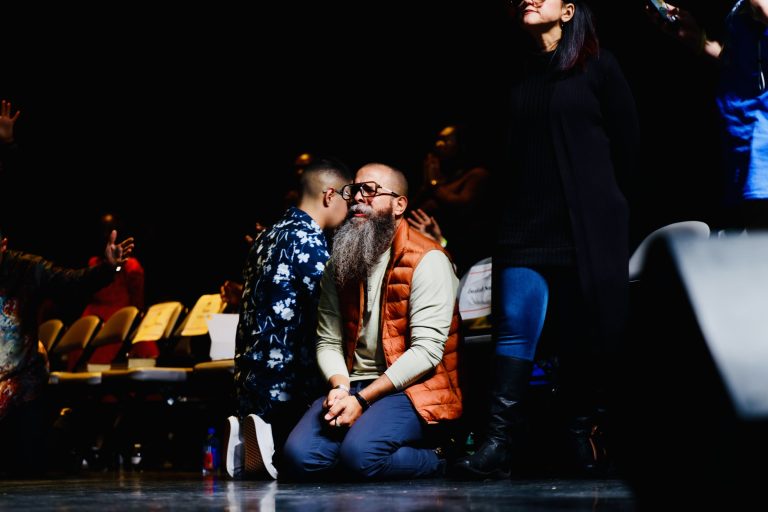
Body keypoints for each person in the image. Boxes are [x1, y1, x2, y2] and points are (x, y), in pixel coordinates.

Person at [452, 0, 639, 479]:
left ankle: (576, 436)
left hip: (585, 227)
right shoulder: (513, 72)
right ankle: (498, 443)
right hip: (523, 225)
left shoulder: (599, 66)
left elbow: (628, 145)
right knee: (515, 325)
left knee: (583, 334)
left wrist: (604, 208)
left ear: (569, 11)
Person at [281, 163, 462, 481]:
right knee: (299, 458)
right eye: (353, 190)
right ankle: (357, 455)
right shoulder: (341, 263)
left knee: (361, 457)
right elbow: (328, 340)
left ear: (399, 205)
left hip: (412, 387)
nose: (356, 199)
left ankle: (442, 455)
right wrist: (341, 388)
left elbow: (427, 352)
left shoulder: (428, 259)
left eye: (370, 191)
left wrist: (362, 401)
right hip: (354, 385)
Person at [224, 158, 351, 480]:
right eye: (347, 197)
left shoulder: (267, 236)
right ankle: (271, 446)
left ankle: (245, 437)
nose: (350, 208)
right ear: (330, 195)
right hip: (287, 382)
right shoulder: (308, 241)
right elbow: (328, 310)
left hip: (251, 378)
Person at [0, 228, 134, 475]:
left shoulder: (27, 268)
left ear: (3, 245)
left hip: (22, 382)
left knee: (26, 467)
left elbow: (71, 282)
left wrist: (108, 267)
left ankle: (65, 428)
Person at [649, 1, 768, 231]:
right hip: (741, 147)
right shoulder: (739, 8)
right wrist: (698, 39)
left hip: (762, 150)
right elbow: (743, 64)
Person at [412, 124, 492, 274]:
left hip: (463, 252)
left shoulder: (477, 175)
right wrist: (427, 182)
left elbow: (463, 205)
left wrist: (433, 183)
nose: (439, 144)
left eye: (446, 140)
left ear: (461, 144)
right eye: (438, 140)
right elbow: (413, 208)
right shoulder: (443, 178)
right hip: (428, 247)